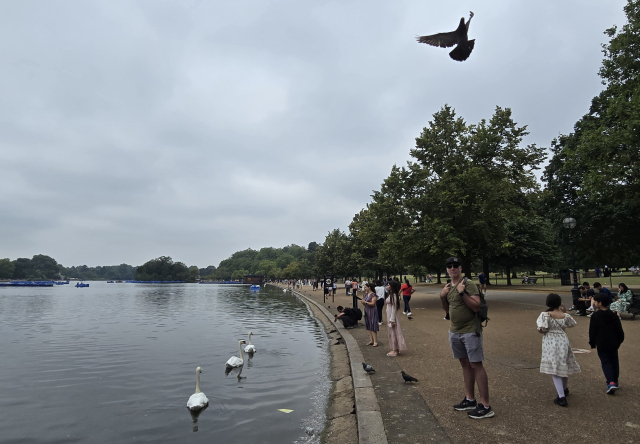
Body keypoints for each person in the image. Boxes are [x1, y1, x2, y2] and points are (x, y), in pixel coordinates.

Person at [439, 257, 494, 419]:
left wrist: (462, 293)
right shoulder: (449, 286)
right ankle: (470, 398)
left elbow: (476, 306)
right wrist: (443, 296)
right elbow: (447, 311)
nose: (452, 268)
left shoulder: (468, 284)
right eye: (449, 266)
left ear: (460, 267)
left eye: (455, 265)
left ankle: (485, 405)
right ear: (447, 269)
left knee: (476, 364)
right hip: (454, 330)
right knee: (464, 364)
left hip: (470, 330)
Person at [536, 293, 581, 407]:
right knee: (563, 365)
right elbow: (572, 324)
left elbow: (541, 329)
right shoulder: (565, 315)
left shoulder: (545, 315)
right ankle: (564, 389)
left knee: (554, 369)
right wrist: (564, 312)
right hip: (563, 340)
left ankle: (561, 397)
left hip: (551, 341)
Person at [589, 293, 625, 394]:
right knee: (614, 361)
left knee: (605, 362)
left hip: (602, 342)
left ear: (600, 303)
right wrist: (619, 341)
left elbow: (592, 331)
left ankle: (611, 381)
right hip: (614, 342)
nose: (594, 303)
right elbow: (619, 331)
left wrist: (592, 342)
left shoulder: (595, 316)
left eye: (595, 301)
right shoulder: (614, 315)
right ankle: (615, 380)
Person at [386, 280, 407, 356]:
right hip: (390, 315)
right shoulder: (391, 295)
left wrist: (392, 319)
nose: (387, 286)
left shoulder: (393, 296)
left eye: (388, 285)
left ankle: (395, 350)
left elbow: (394, 308)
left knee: (394, 332)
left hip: (392, 316)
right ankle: (395, 348)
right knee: (393, 332)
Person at [360, 282, 379, 346]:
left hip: (372, 311)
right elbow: (365, 303)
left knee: (373, 325)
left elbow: (373, 303)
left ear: (369, 287)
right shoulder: (366, 294)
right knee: (368, 325)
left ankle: (375, 341)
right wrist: (363, 302)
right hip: (367, 310)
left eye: (366, 287)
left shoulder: (373, 295)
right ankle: (371, 340)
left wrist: (366, 302)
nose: (365, 288)